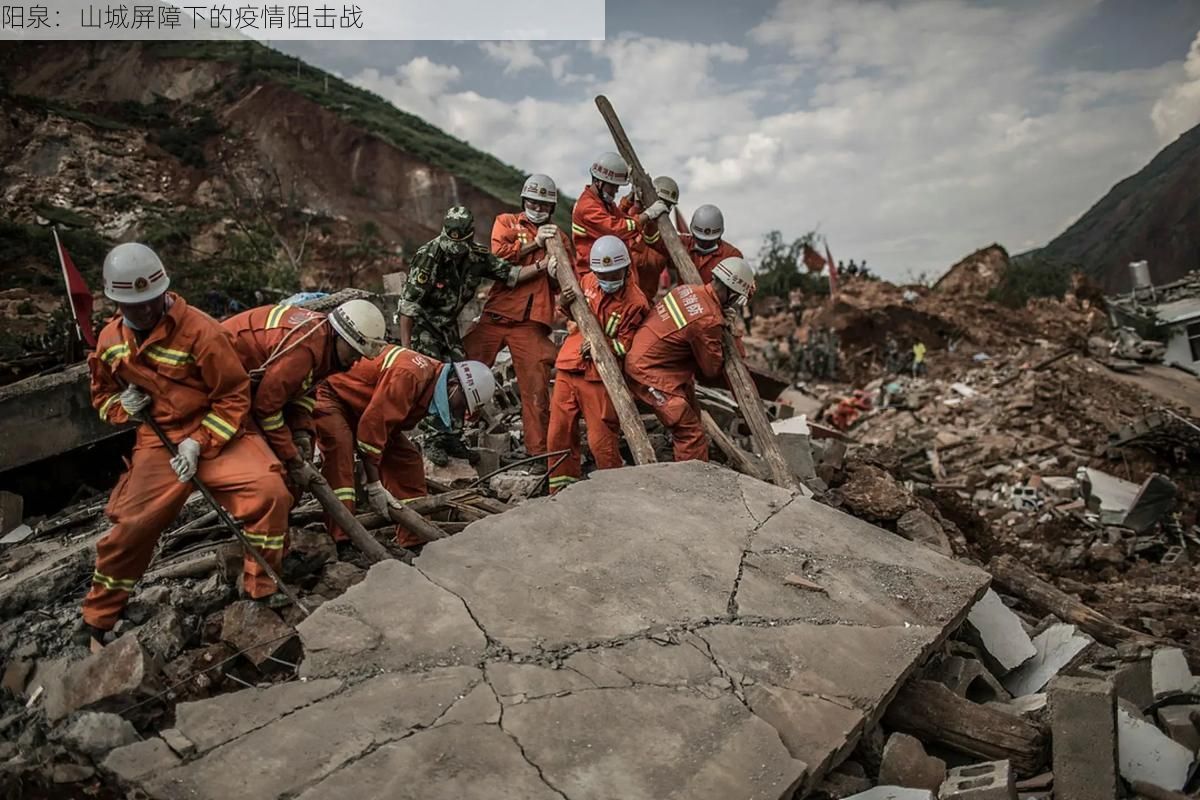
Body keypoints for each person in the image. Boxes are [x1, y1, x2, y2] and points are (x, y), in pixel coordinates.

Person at [81, 243, 292, 645]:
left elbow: (233, 397)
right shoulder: (110, 341)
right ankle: (99, 616)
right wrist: (125, 407)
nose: (146, 309)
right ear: (117, 302)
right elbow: (102, 398)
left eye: (152, 299)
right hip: (157, 439)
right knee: (132, 525)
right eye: (135, 304)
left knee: (269, 493)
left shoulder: (202, 332)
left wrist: (198, 442)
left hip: (215, 431)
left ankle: (261, 589)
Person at [397, 205, 551, 464]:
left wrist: (542, 265)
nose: (455, 252)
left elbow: (510, 274)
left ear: (469, 238)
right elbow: (408, 307)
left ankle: (453, 436)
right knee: (435, 379)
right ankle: (433, 439)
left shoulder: (477, 257)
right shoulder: (429, 256)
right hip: (423, 326)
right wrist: (406, 351)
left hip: (448, 327)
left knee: (462, 376)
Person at [313, 346, 495, 548]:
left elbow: (381, 424)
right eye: (461, 405)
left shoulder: (429, 383)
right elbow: (372, 429)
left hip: (365, 408)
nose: (458, 412)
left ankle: (413, 539)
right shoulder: (410, 376)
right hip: (333, 395)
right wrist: (374, 485)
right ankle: (342, 541)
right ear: (454, 385)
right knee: (340, 457)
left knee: (407, 463)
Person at [463, 175, 571, 470]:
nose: (537, 208)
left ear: (551, 207)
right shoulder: (507, 222)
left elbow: (564, 282)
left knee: (536, 393)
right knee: (465, 369)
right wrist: (534, 245)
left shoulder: (559, 238)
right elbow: (498, 258)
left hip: (530, 324)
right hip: (497, 315)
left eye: (543, 204)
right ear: (524, 201)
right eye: (532, 202)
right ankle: (456, 432)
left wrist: (555, 271)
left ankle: (539, 455)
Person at [222, 299, 386, 479]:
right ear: (341, 336)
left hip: (250, 383)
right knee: (267, 462)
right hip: (222, 381)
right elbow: (266, 409)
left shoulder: (324, 343)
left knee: (295, 450)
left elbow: (303, 390)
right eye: (354, 352)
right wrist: (292, 456)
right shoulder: (304, 349)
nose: (356, 360)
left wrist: (301, 431)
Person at [625, 256, 756, 463]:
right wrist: (733, 331)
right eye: (737, 298)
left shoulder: (686, 290)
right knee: (690, 434)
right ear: (731, 293)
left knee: (693, 412)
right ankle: (690, 479)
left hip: (655, 364)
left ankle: (686, 461)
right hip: (648, 374)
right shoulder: (709, 320)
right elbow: (712, 369)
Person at [546, 236, 650, 493]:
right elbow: (573, 315)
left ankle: (614, 493)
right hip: (570, 364)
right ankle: (561, 492)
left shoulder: (636, 302)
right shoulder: (589, 281)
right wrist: (564, 304)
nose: (607, 279)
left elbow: (627, 345)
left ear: (626, 269)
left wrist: (600, 345)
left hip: (599, 376)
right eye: (603, 274)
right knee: (558, 433)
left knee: (601, 440)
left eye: (613, 274)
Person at [571, 152, 669, 281]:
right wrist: (648, 214)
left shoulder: (602, 202)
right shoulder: (588, 206)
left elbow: (622, 218)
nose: (616, 191)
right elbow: (616, 229)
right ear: (599, 182)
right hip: (595, 273)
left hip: (608, 269)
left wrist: (632, 199)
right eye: (613, 186)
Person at [619, 175, 679, 301]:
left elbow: (675, 267)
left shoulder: (668, 239)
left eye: (668, 205)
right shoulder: (632, 219)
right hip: (620, 297)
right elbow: (614, 226)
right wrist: (630, 201)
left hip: (644, 301)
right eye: (662, 203)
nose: (665, 209)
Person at [682, 204, 744, 285]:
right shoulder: (680, 243)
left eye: (710, 241)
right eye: (700, 240)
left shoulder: (732, 256)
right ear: (693, 233)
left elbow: (739, 286)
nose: (705, 244)